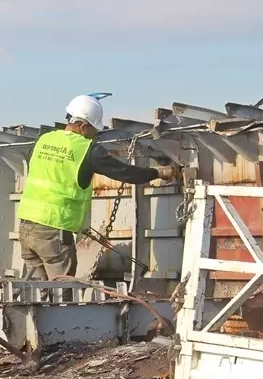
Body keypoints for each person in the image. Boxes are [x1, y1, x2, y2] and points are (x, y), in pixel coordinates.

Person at [18, 94, 181, 282]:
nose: (95, 135)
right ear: (83, 126)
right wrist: (158, 173)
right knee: (60, 294)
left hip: (26, 227)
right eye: (94, 130)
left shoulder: (43, 140)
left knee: (33, 293)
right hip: (53, 233)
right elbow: (125, 173)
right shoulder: (86, 149)